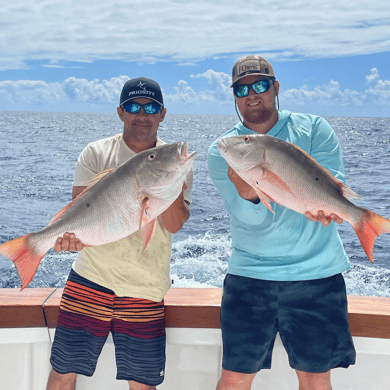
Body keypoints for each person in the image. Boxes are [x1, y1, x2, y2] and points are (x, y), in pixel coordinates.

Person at [208, 55, 356, 390]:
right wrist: (248, 193)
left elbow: (332, 187)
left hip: (316, 276)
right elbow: (248, 217)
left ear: (276, 87)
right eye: (242, 88)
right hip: (250, 277)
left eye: (260, 84)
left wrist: (331, 209)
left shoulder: (315, 128)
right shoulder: (223, 150)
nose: (252, 93)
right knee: (233, 380)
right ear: (234, 96)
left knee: (316, 381)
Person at [46, 77, 193, 390]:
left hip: (145, 287)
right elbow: (79, 212)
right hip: (90, 278)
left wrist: (169, 186)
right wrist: (67, 238)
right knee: (62, 372)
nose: (142, 113)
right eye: (133, 106)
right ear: (120, 112)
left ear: (163, 113)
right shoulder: (96, 153)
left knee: (142, 383)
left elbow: (174, 224)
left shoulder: (174, 160)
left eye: (151, 107)